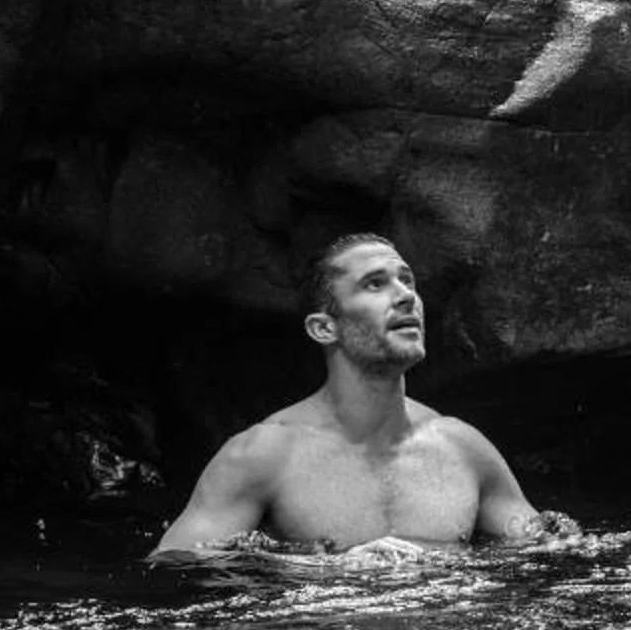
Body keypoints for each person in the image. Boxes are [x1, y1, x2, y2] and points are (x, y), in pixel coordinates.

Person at [148, 232, 549, 557]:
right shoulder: (262, 456)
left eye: (407, 280)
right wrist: (305, 570)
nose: (405, 295)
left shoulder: (465, 448)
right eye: (375, 284)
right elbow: (174, 566)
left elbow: (550, 553)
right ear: (324, 328)